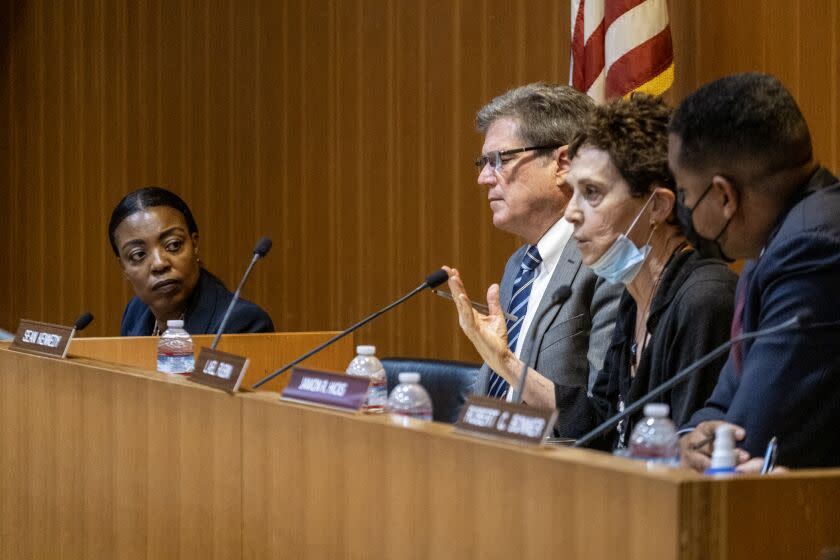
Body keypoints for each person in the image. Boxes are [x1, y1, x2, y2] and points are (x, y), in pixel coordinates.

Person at [448, 94, 737, 446]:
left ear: (657, 206)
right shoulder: (636, 299)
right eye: (574, 193)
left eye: (592, 193)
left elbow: (687, 458)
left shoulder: (704, 299)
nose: (572, 213)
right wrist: (504, 361)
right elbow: (599, 425)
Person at [670, 73, 840, 471]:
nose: (683, 206)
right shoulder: (773, 244)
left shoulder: (811, 250)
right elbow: (721, 402)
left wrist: (705, 449)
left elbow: (751, 435)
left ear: (724, 196)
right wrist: (687, 440)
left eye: (684, 191)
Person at [450, 83, 621, 424]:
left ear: (563, 164)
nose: (484, 178)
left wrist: (505, 363)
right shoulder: (520, 266)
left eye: (499, 160)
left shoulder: (606, 263)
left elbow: (601, 417)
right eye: (483, 162)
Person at [109, 186, 274, 336]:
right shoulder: (136, 311)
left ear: (194, 245)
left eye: (173, 245)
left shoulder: (241, 323)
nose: (159, 264)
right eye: (138, 255)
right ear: (123, 267)